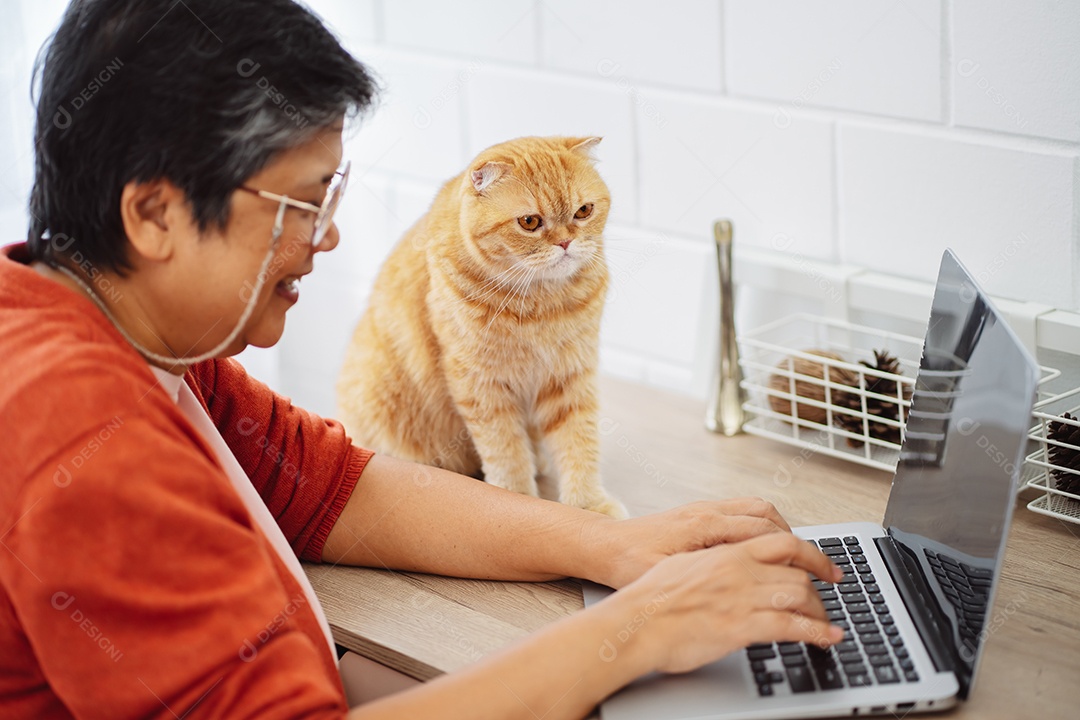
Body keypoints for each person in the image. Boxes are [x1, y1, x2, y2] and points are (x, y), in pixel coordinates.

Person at [0, 1, 843, 718]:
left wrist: (609, 545)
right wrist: (640, 628)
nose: (327, 236)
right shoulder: (82, 429)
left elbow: (330, 486)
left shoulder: (126, 327)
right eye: (303, 203)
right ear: (154, 213)